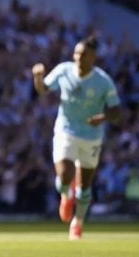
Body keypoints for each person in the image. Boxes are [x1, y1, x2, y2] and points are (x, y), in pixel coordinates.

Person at [31, 35, 121, 240]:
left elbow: (117, 111)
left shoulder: (103, 81)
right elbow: (43, 89)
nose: (78, 57)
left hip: (91, 137)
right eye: (76, 53)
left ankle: (77, 223)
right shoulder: (64, 70)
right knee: (64, 176)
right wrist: (37, 77)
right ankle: (65, 195)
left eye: (83, 54)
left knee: (85, 186)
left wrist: (104, 117)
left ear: (93, 57)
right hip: (66, 130)